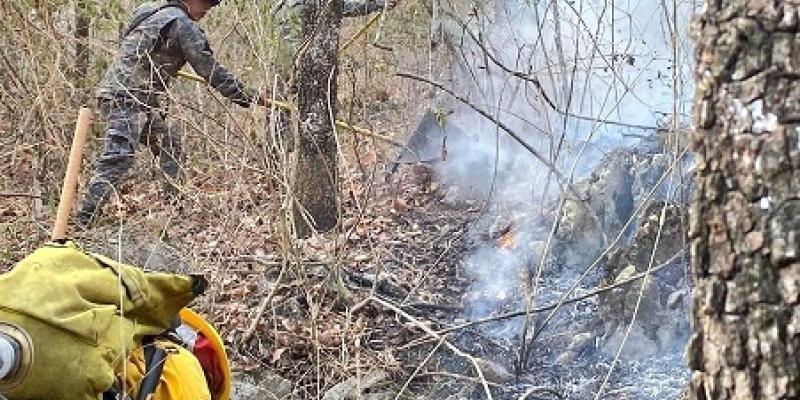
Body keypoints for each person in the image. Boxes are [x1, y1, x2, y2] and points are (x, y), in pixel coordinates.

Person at [77, 0, 267, 226]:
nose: (208, 8)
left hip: (129, 97)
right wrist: (249, 95)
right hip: (128, 99)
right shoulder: (182, 24)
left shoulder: (148, 12)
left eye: (212, 4)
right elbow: (210, 70)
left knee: (169, 143)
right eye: (205, 2)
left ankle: (174, 207)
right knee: (118, 157)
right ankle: (85, 219)